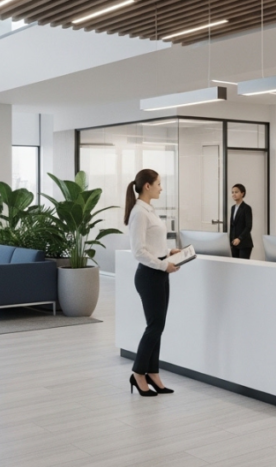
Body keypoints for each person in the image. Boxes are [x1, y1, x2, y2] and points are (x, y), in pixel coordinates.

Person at [125, 169, 180, 397]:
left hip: (159, 273)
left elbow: (153, 245)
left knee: (158, 326)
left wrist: (169, 251)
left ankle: (153, 373)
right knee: (154, 327)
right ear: (147, 186)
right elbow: (138, 251)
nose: (161, 187)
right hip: (149, 276)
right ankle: (138, 373)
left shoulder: (150, 210)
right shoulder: (139, 212)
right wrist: (162, 264)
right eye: (158, 183)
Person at [229, 184, 253, 259]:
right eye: (232, 192)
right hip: (234, 243)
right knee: (234, 265)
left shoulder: (246, 208)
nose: (234, 194)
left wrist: (239, 238)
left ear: (242, 193)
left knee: (243, 266)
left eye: (236, 192)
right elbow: (232, 226)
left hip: (244, 243)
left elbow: (248, 226)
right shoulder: (233, 208)